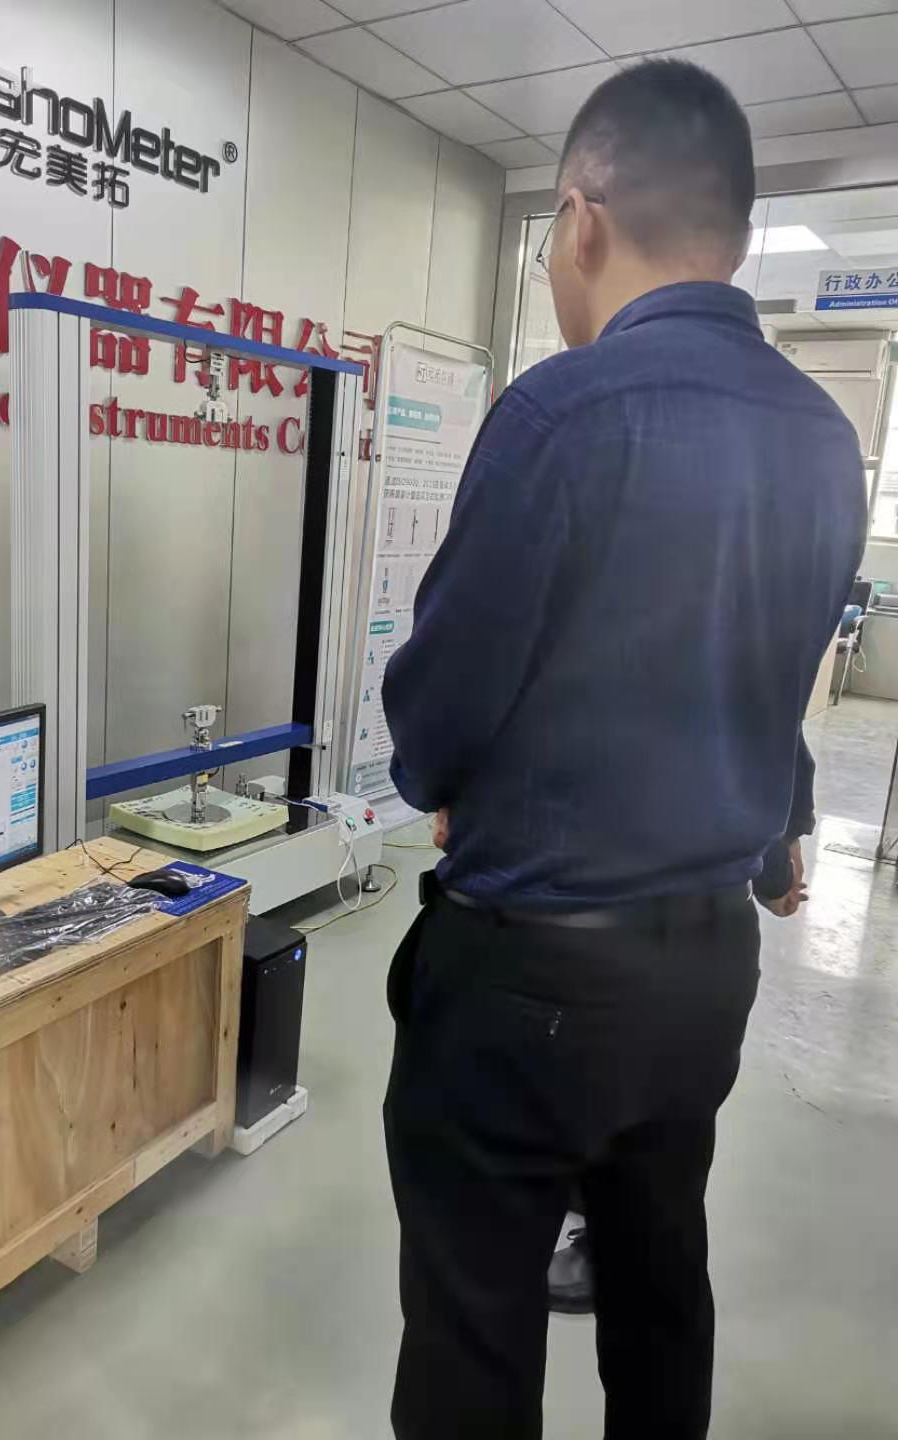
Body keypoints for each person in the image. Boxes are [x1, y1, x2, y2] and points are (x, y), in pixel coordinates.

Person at [381, 59, 866, 1440]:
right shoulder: (827, 442)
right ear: (737, 234)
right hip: (702, 973)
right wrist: (770, 831)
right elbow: (768, 681)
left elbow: (441, 710)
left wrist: (446, 786)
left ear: (583, 220)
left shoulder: (560, 413)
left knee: (476, 1328)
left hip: (530, 979)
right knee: (658, 1289)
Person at [545, 735, 817, 1315]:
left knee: (638, 1105)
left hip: (636, 910)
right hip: (702, 922)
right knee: (644, 1106)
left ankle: (616, 1249)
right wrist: (780, 855)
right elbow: (775, 728)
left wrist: (777, 858)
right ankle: (600, 1211)